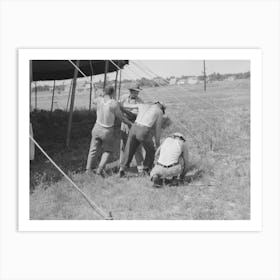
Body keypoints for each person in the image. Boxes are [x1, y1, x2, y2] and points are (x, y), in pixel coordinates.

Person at [86, 86, 133, 176]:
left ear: (104, 92)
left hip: (96, 128)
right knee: (107, 150)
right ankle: (99, 170)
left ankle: (88, 170)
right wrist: (130, 123)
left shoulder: (99, 100)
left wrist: (93, 90)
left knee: (93, 150)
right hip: (107, 130)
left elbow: (93, 99)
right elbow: (121, 117)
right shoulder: (113, 104)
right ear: (113, 93)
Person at [119, 101, 166, 177]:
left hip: (134, 127)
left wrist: (119, 104)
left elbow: (127, 105)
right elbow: (158, 130)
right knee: (151, 150)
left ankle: (122, 169)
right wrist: (157, 144)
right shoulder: (159, 112)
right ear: (162, 108)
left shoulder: (143, 105)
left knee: (129, 149)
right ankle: (146, 169)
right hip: (143, 130)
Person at [119, 86, 144, 173]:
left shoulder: (140, 101)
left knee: (137, 146)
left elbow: (136, 114)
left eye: (138, 92)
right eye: (135, 91)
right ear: (130, 91)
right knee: (123, 147)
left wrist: (125, 110)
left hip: (135, 124)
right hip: (124, 124)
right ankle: (122, 167)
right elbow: (118, 107)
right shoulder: (123, 98)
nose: (137, 93)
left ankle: (140, 168)